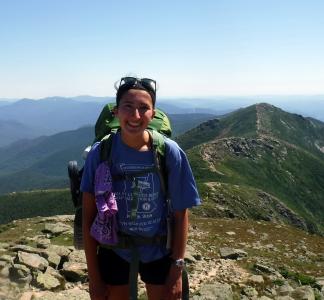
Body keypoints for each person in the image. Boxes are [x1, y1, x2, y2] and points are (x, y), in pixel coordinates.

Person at [80, 76, 201, 300]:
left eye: (143, 108)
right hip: (113, 248)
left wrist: (176, 270)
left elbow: (181, 213)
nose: (135, 116)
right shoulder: (101, 152)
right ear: (116, 112)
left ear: (153, 114)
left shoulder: (169, 152)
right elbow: (88, 217)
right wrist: (94, 279)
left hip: (159, 249)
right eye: (128, 107)